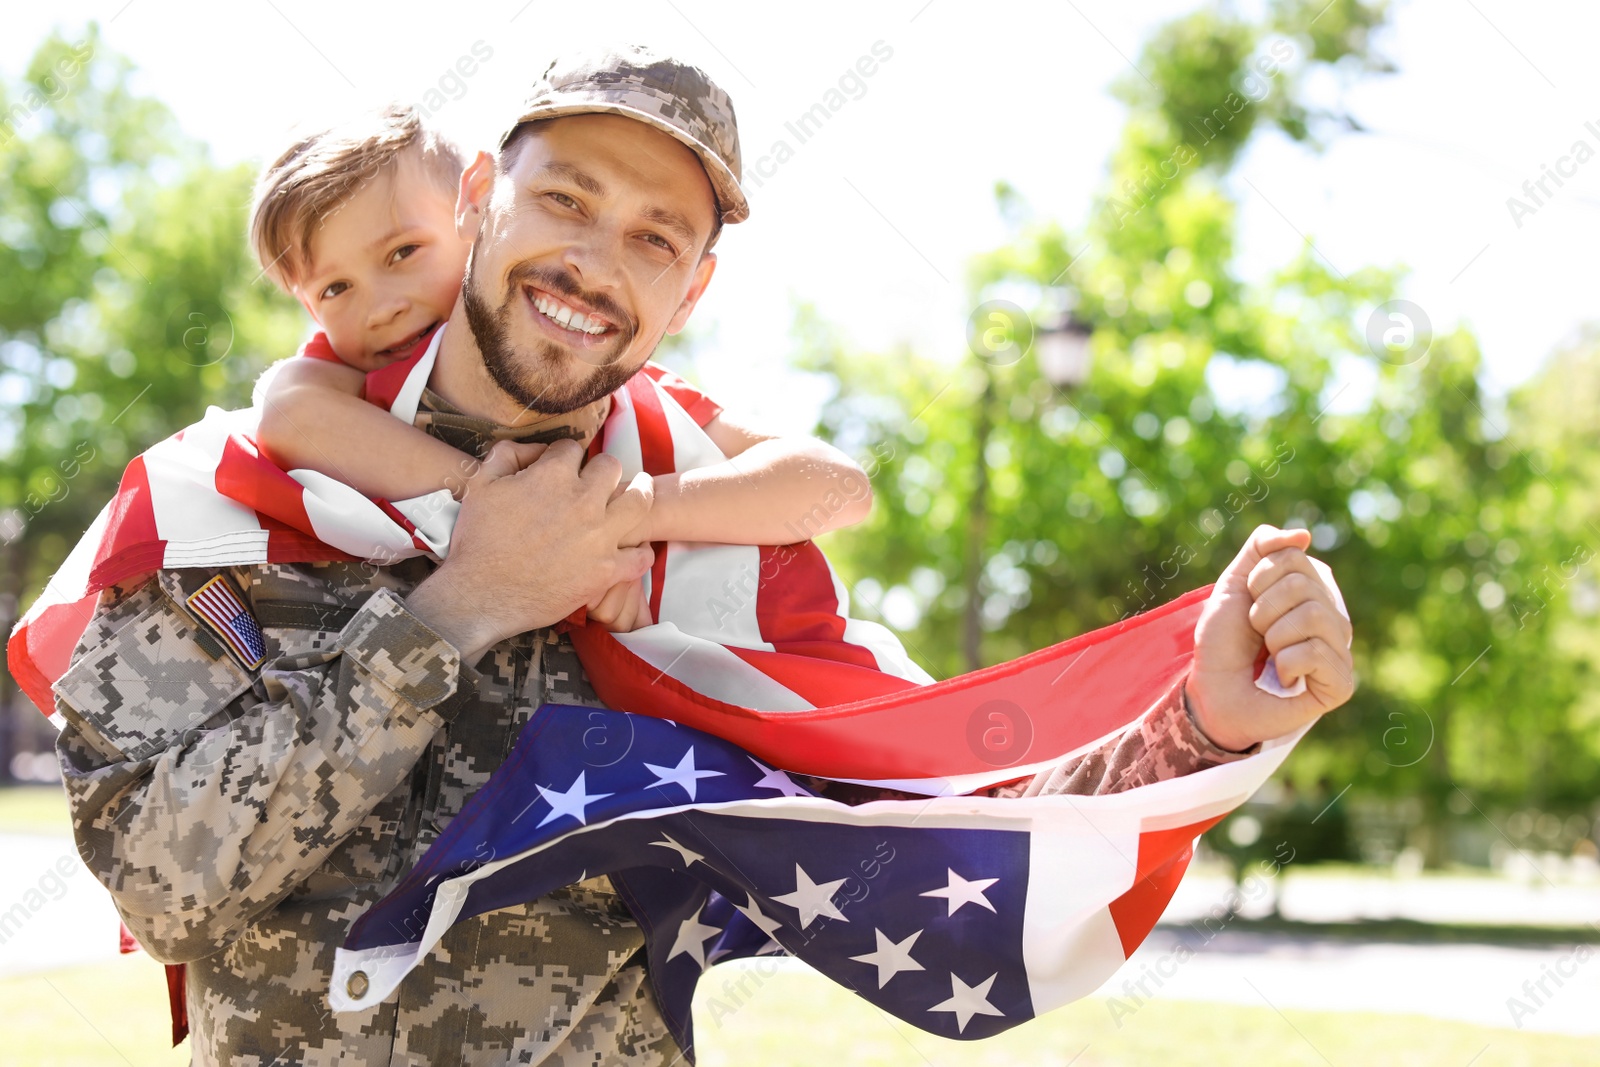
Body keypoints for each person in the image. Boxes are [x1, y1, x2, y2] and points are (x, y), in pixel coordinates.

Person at [51, 47, 1355, 1065]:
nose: (594, 259)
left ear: (693, 291)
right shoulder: (221, 508)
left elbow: (942, 800)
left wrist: (1198, 720)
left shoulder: (729, 562)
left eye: (655, 236)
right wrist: (459, 609)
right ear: (477, 200)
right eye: (565, 198)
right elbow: (161, 878)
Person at [247, 103, 871, 632]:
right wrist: (497, 502)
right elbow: (288, 412)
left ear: (473, 214)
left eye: (404, 252)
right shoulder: (343, 378)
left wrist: (621, 519)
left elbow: (839, 485)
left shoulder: (628, 395)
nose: (381, 305)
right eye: (335, 290)